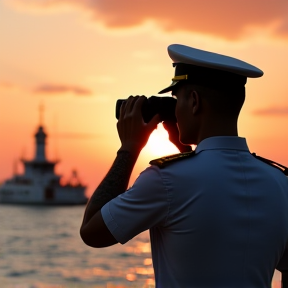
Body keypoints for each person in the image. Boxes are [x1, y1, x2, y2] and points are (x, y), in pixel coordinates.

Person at [80, 44, 288, 288]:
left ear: (194, 101)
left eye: (176, 100)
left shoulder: (165, 181)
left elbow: (92, 232)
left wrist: (129, 148)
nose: (175, 111)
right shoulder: (281, 184)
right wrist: (186, 152)